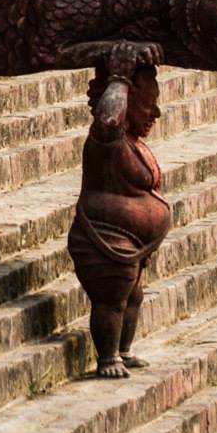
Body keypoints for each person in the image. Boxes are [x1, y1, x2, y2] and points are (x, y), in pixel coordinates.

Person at [67, 50, 170, 379]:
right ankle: (108, 356)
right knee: (111, 298)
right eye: (147, 105)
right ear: (125, 104)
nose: (155, 112)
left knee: (132, 297)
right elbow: (109, 118)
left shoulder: (131, 142)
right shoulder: (105, 140)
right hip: (104, 236)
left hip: (131, 244)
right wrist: (119, 75)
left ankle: (123, 350)